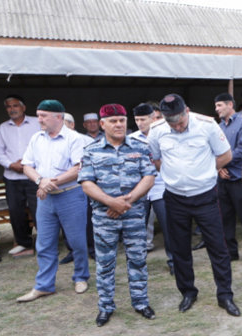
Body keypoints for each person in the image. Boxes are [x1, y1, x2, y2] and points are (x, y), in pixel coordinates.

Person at [147, 93, 240, 316]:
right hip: (175, 198)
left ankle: (225, 295)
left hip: (205, 196)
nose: (177, 127)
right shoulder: (157, 130)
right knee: (179, 249)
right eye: (173, 123)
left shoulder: (207, 126)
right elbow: (157, 160)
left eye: (180, 122)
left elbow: (225, 156)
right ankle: (188, 292)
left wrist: (205, 169)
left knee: (218, 248)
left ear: (187, 111)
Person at [78, 103, 156, 327]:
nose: (119, 124)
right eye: (113, 121)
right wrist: (111, 202)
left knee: (138, 260)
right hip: (104, 218)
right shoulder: (91, 150)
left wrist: (126, 201)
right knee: (105, 263)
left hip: (133, 215)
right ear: (102, 124)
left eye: (122, 120)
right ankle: (105, 307)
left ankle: (141, 302)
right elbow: (86, 183)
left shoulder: (140, 147)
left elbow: (149, 177)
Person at [17, 99, 90, 302]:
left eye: (43, 116)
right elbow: (27, 166)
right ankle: (44, 285)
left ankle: (81, 276)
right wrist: (41, 181)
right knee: (44, 242)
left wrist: (49, 183)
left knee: (77, 241)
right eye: (38, 115)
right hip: (46, 198)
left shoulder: (74, 139)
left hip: (71, 195)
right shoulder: (36, 138)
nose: (38, 119)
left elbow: (78, 168)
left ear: (58, 117)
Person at [130, 103, 174, 274]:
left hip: (161, 187)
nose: (140, 123)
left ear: (152, 118)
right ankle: (137, 264)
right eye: (137, 120)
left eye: (143, 119)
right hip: (140, 189)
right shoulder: (132, 139)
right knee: (137, 228)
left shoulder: (164, 135)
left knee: (168, 227)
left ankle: (174, 262)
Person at [214, 93, 242, 266]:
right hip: (223, 178)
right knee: (226, 217)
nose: (217, 109)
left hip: (239, 178)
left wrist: (222, 163)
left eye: (219, 106)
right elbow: (215, 150)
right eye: (216, 106)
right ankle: (231, 252)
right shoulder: (218, 127)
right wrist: (219, 168)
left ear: (230, 105)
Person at [0, 95, 40, 258]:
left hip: (33, 175)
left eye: (15, 105)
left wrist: (27, 163)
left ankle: (45, 243)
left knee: (40, 210)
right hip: (12, 177)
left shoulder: (36, 123)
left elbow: (44, 145)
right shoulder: (3, 128)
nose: (12, 109)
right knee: (15, 212)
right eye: (8, 106)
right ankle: (23, 243)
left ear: (23, 107)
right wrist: (11, 164)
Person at [59, 113, 96, 265]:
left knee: (88, 220)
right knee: (66, 222)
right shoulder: (54, 142)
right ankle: (73, 250)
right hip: (63, 188)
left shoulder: (86, 140)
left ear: (72, 125)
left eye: (63, 124)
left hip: (84, 187)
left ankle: (93, 249)